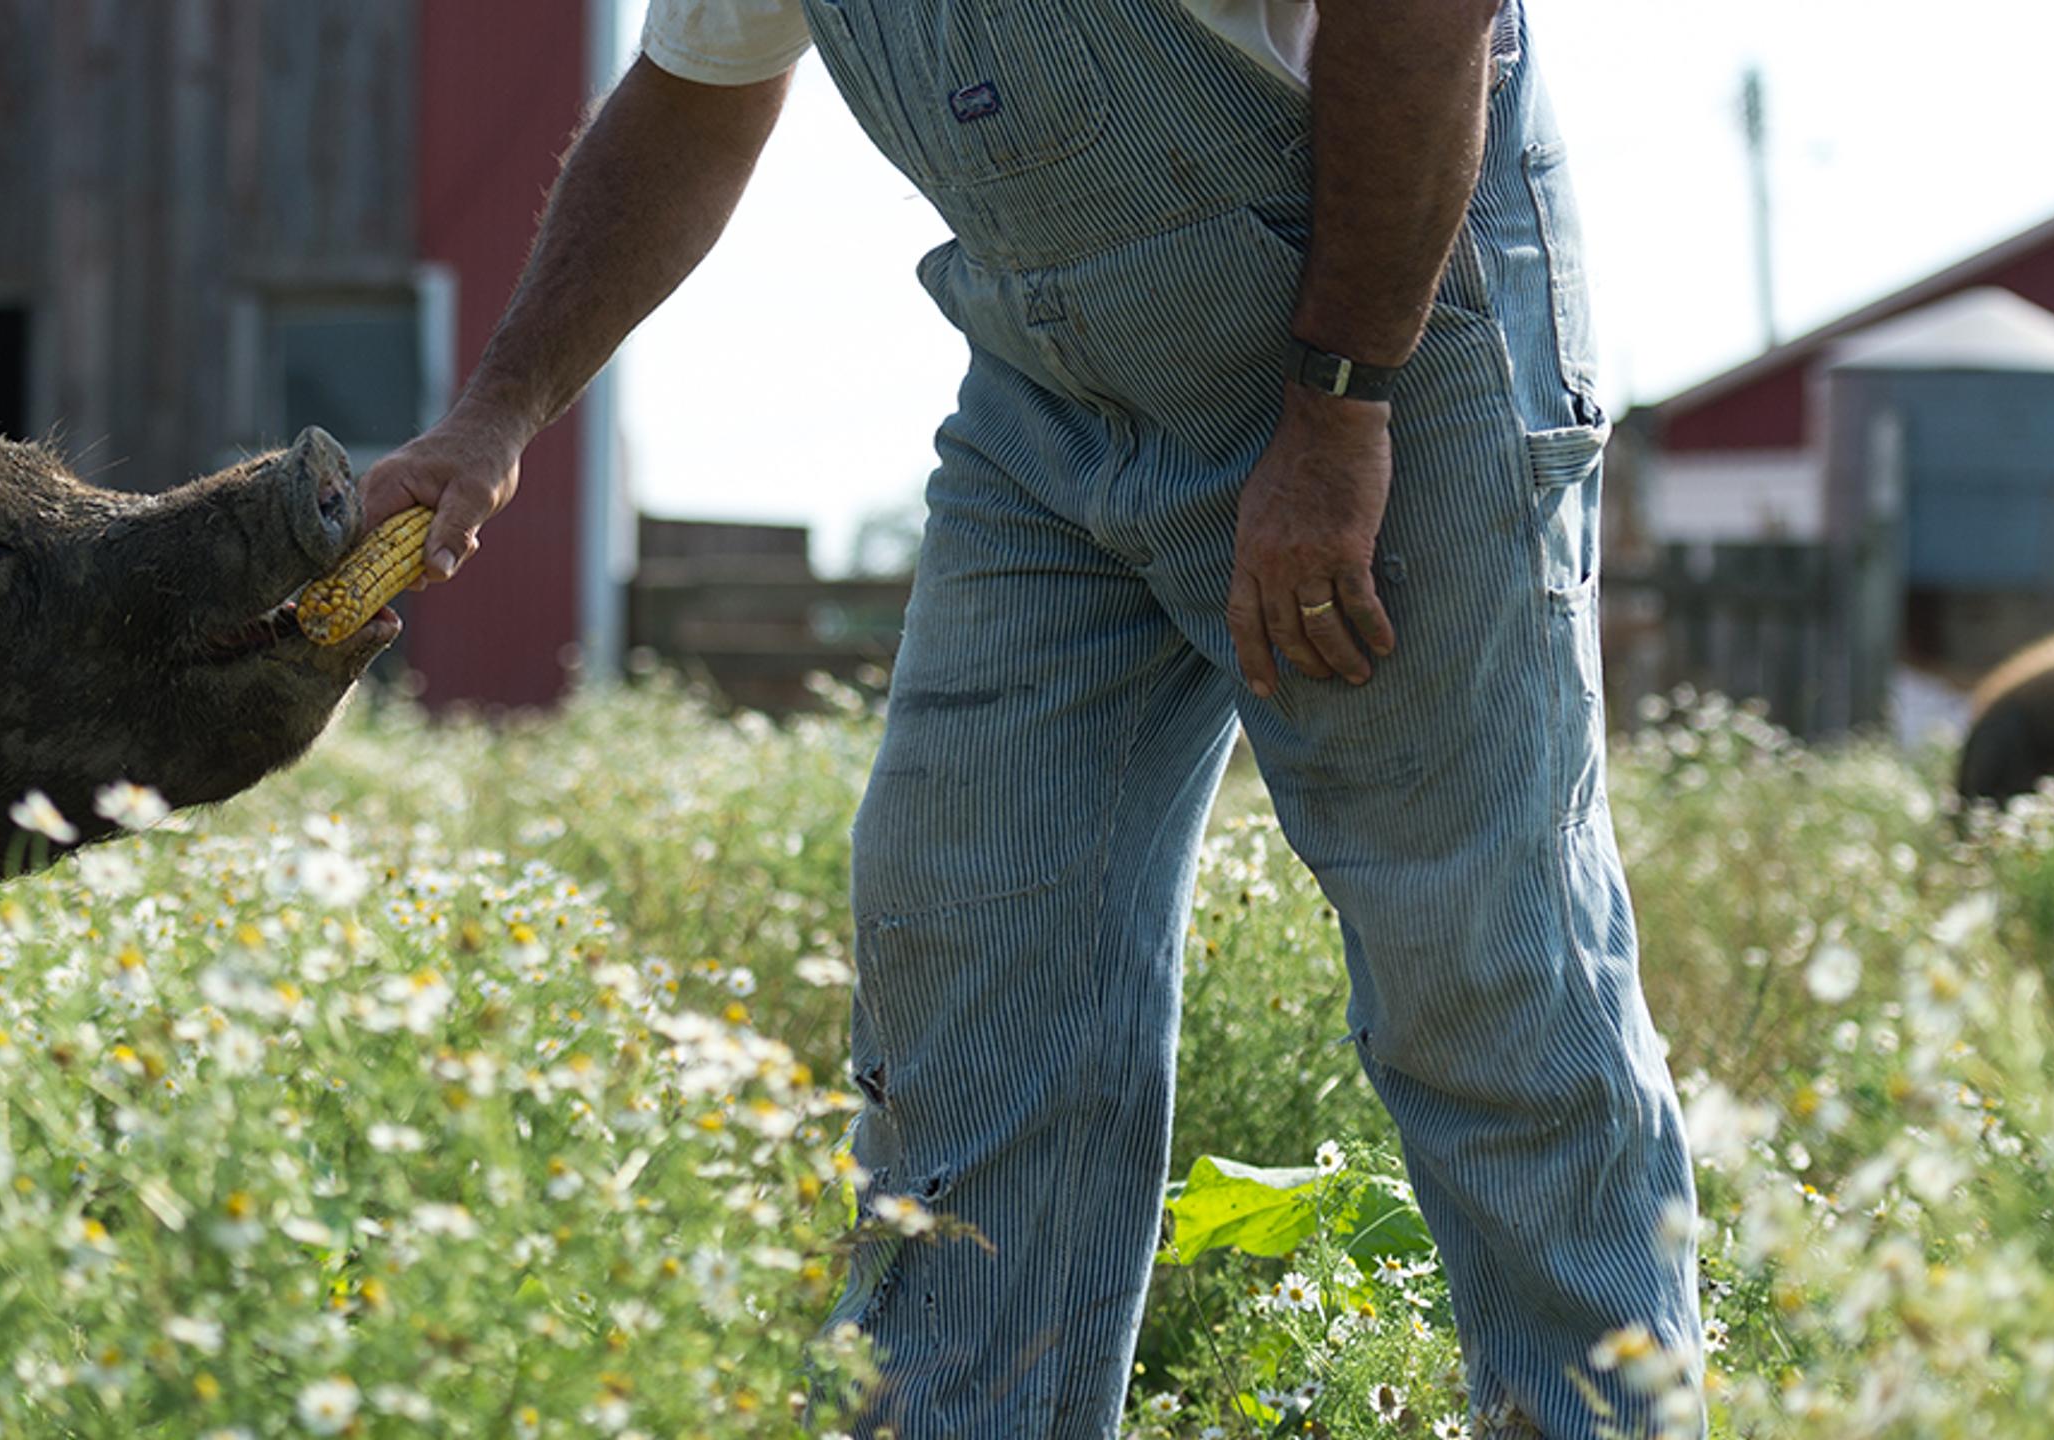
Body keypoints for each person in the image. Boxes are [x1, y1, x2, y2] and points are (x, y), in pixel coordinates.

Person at [355, 2, 1702, 1434]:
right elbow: (691, 98)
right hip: (1053, 391)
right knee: (974, 941)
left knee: (1479, 960)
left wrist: (1339, 409)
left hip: (1387, 324)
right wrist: (498, 409)